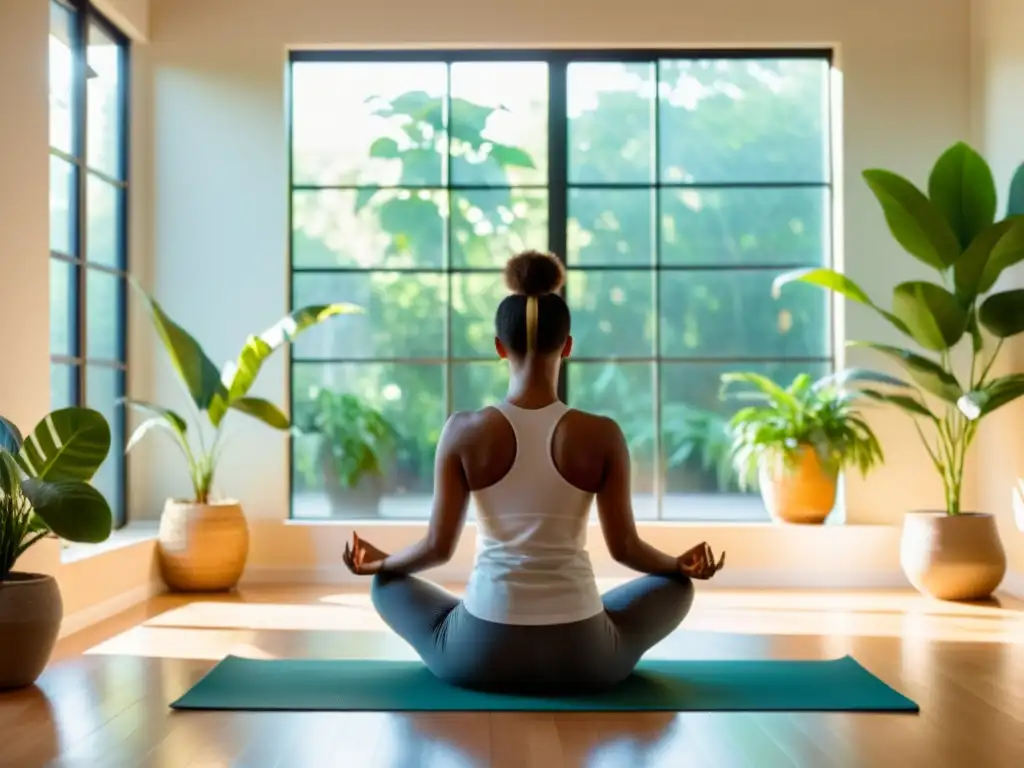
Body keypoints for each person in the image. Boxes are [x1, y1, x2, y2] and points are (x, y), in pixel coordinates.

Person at [343, 250, 725, 693]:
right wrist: (679, 565)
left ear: (499, 347)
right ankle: (587, 624)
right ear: (567, 346)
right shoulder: (601, 434)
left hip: (479, 655)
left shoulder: (463, 430)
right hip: (585, 659)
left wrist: (381, 563)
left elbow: (437, 548)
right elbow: (626, 549)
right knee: (677, 588)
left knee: (386, 586)